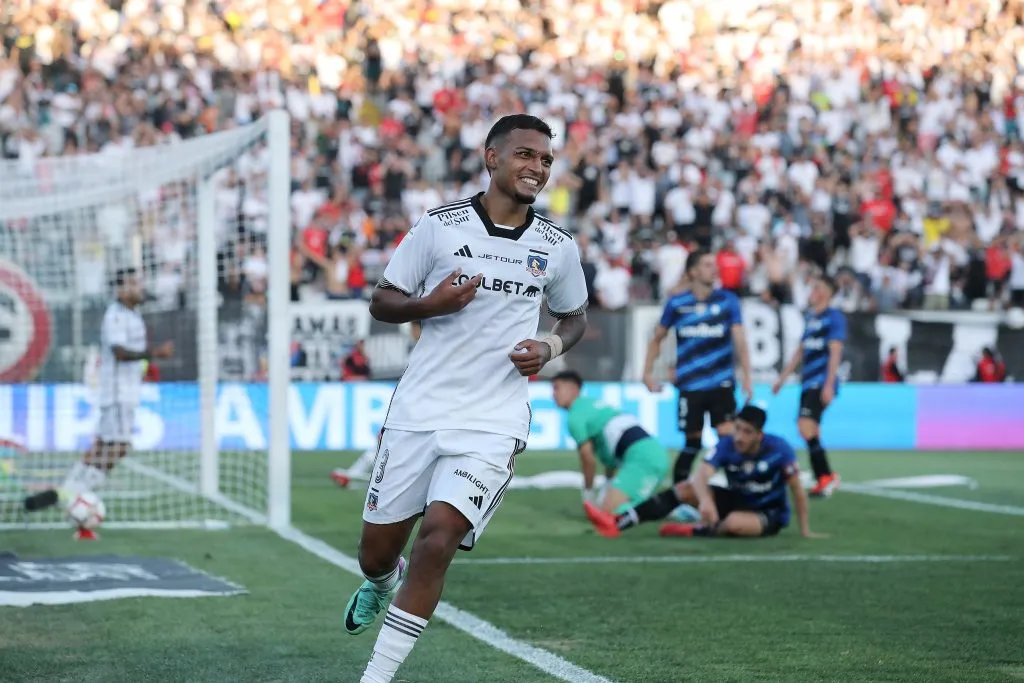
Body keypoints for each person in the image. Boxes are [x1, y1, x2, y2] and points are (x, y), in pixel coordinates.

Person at [347, 114, 589, 683]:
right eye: (526, 155)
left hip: (493, 420)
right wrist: (431, 305)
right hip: (419, 411)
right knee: (376, 556)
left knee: (438, 541)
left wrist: (550, 344)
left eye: (547, 160)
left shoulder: (557, 246)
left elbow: (575, 315)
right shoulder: (440, 226)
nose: (538, 168)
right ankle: (382, 582)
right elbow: (383, 301)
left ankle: (375, 678)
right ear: (493, 158)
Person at [22, 268, 174, 537]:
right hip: (117, 393)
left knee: (104, 445)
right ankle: (74, 493)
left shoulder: (132, 314)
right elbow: (119, 352)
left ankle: (67, 490)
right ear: (120, 289)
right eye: (134, 283)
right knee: (119, 447)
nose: (140, 287)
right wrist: (155, 354)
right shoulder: (115, 315)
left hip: (124, 391)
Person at [583, 405, 826, 540]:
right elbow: (701, 474)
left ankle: (697, 530)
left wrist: (805, 529)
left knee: (734, 524)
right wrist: (707, 501)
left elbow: (796, 489)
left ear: (759, 435)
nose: (739, 437)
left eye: (746, 432)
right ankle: (618, 523)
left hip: (768, 513)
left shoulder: (780, 449)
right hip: (737, 499)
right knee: (684, 489)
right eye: (737, 429)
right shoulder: (727, 445)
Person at [643, 249, 753, 483]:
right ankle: (680, 496)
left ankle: (737, 492)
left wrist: (747, 377)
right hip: (689, 386)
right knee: (692, 443)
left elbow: (740, 341)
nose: (714, 268)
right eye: (706, 264)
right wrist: (647, 373)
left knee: (727, 439)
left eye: (714, 264)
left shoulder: (728, 300)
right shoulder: (677, 304)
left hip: (721, 383)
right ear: (692, 271)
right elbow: (657, 339)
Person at [551, 370, 668, 515]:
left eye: (557, 388)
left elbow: (588, 459)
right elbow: (610, 452)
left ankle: (671, 507)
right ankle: (669, 504)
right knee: (612, 506)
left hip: (642, 459)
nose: (553, 394)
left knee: (608, 511)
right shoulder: (594, 406)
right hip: (650, 452)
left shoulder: (575, 416)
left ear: (573, 389)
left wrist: (588, 494)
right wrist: (608, 483)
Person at [772, 275, 846, 497]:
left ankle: (825, 476)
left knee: (805, 426)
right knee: (809, 429)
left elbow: (835, 351)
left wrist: (829, 384)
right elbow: (801, 350)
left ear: (825, 293)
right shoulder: (811, 317)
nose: (812, 291)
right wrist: (782, 377)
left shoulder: (834, 318)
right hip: (808, 382)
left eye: (816, 288)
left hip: (820, 381)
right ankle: (825, 476)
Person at [332, 322, 421, 489]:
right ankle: (354, 474)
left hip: (418, 412)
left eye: (412, 327)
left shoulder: (424, 352)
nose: (410, 332)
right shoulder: (417, 351)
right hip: (411, 409)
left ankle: (358, 475)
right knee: (383, 443)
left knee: (386, 444)